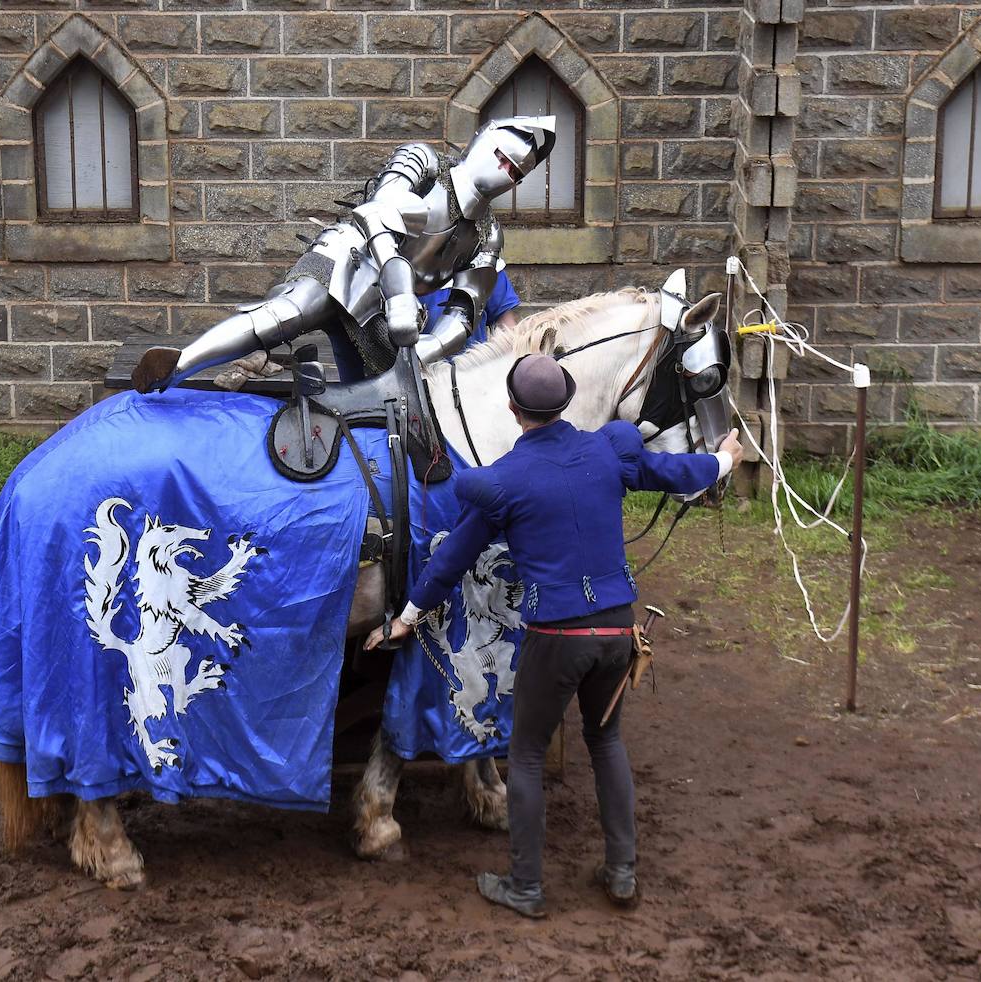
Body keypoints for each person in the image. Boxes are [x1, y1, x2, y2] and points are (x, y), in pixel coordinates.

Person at [366, 353, 744, 918]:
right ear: (565, 402)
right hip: (617, 628)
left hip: (556, 637)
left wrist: (407, 617)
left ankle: (526, 887)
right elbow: (672, 472)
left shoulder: (502, 482)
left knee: (525, 755)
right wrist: (723, 460)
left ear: (512, 408)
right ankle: (621, 873)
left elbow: (450, 561)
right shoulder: (609, 451)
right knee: (606, 742)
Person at [132, 117, 556, 393]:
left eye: (516, 173)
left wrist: (428, 349)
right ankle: (178, 365)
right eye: (504, 160)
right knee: (285, 315)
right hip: (351, 260)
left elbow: (464, 313)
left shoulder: (488, 235)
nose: (507, 173)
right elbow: (379, 213)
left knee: (384, 391)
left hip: (391, 316)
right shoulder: (426, 162)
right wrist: (401, 293)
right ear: (484, 141)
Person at [420, 268, 520, 348]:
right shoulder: (411, 264)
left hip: (474, 364)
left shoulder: (484, 261)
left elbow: (506, 327)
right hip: (421, 364)